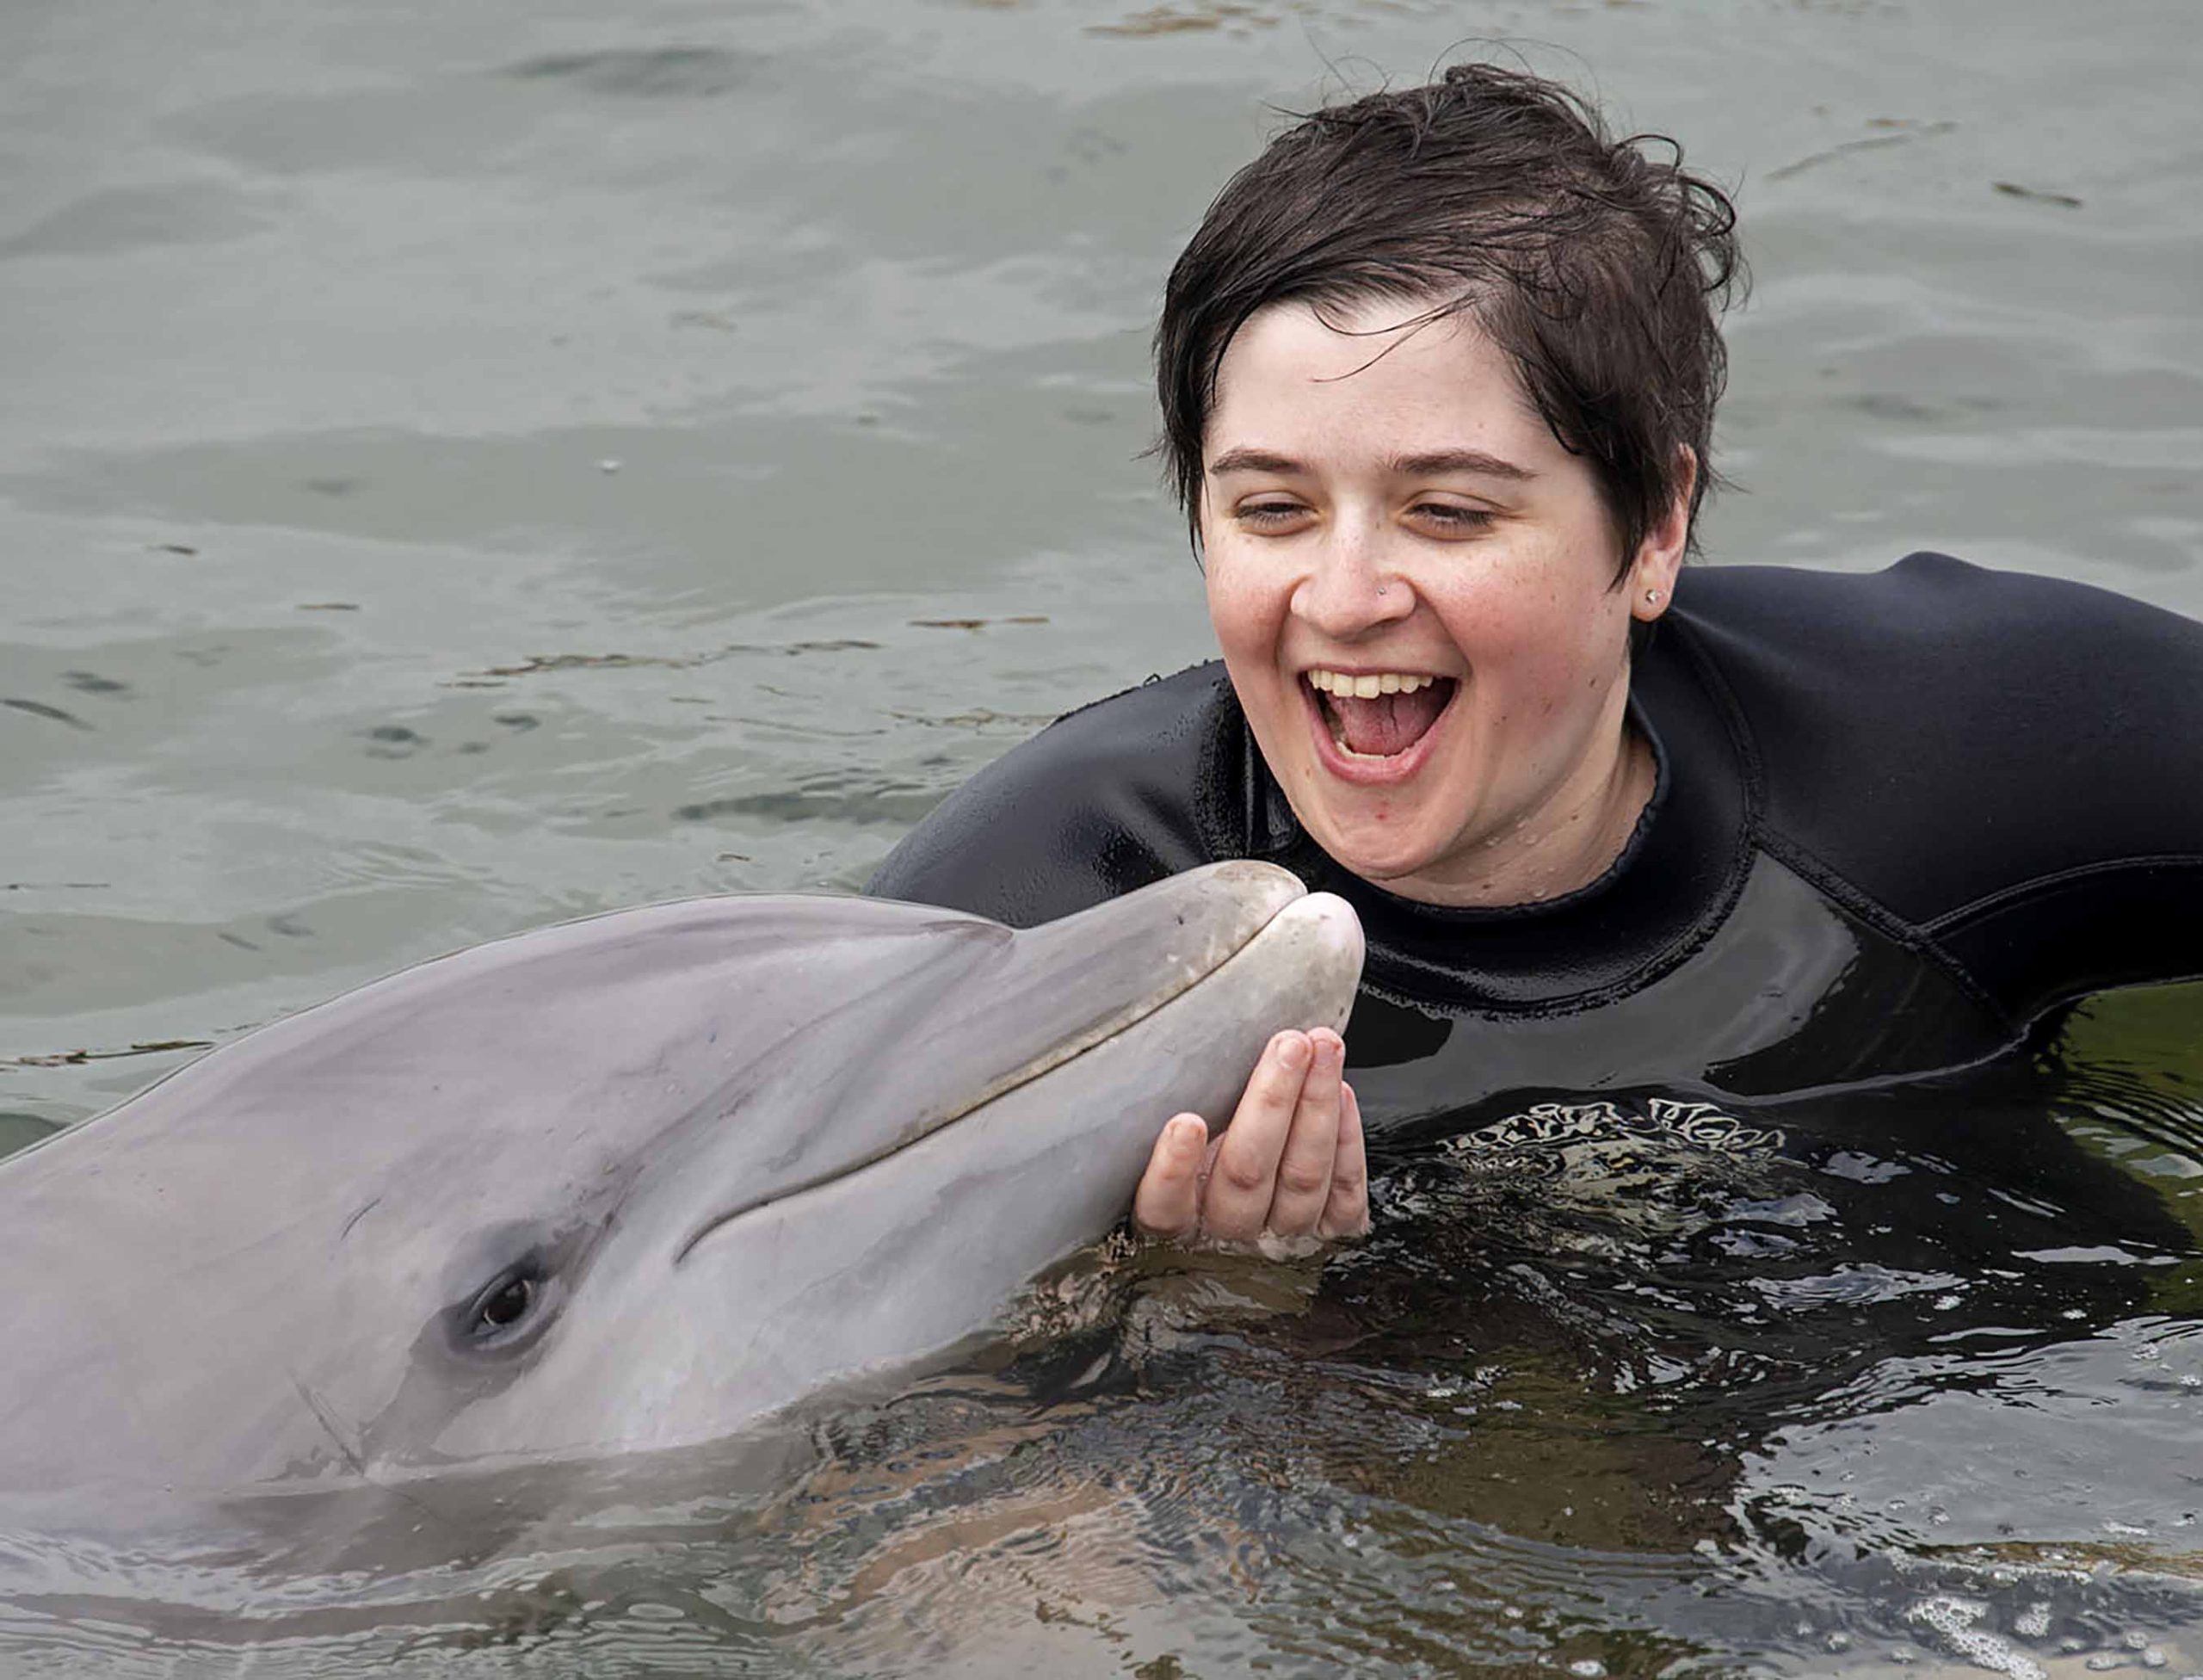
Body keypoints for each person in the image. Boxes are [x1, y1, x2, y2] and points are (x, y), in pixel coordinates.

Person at [868, 64, 2203, 1248]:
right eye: (1270, 509)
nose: (1342, 597)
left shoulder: (1948, 746)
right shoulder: (1055, 916)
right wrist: (1211, 1320)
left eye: (1450, 510)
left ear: (1657, 526)